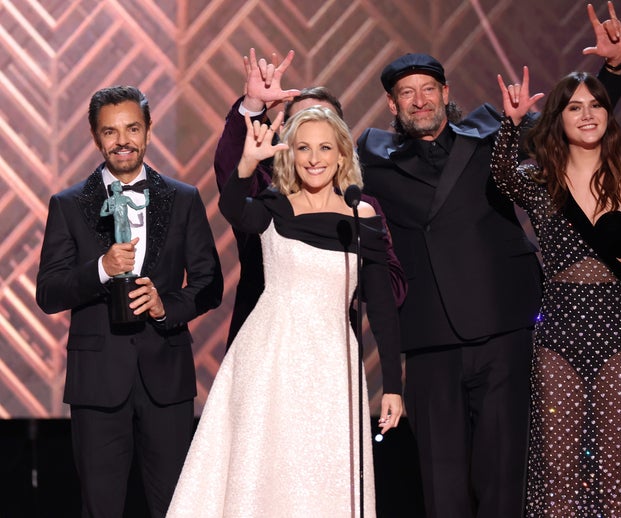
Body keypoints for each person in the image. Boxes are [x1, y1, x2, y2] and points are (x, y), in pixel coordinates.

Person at [355, 3, 621, 516]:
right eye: (406, 94)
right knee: (441, 486)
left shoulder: (492, 129)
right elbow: (309, 170)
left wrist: (612, 72)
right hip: (429, 335)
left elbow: (572, 132)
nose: (419, 101)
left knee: (505, 475)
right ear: (392, 105)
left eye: (428, 89)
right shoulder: (371, 156)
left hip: (503, 325)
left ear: (446, 94)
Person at [167, 105, 404, 517]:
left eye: (325, 147)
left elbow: (382, 306)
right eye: (303, 148)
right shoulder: (273, 206)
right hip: (270, 357)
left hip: (333, 364)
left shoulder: (360, 215)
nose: (314, 158)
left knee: (323, 472)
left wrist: (394, 385)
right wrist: (245, 163)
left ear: (342, 155)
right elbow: (232, 208)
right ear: (290, 154)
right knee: (264, 468)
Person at [492, 63, 621, 515]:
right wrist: (509, 124)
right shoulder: (539, 179)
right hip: (559, 330)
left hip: (616, 329)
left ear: (608, 114)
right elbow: (501, 178)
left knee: (617, 465)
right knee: (559, 465)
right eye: (574, 107)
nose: (587, 115)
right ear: (558, 119)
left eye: (596, 105)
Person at [35, 85, 224, 518]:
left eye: (132, 128)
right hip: (97, 382)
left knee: (176, 506)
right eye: (110, 131)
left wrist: (166, 306)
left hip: (166, 375)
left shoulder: (183, 198)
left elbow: (209, 283)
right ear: (94, 136)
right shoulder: (67, 205)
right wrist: (100, 268)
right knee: (100, 508)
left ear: (149, 130)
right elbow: (49, 292)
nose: (122, 140)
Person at [214, 48, 407, 349]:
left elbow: (393, 288)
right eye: (304, 125)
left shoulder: (360, 206)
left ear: (341, 141)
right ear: (287, 140)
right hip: (262, 345)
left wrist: (335, 271)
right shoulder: (266, 192)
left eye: (325, 126)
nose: (315, 140)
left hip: (332, 348)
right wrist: (252, 107)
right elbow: (232, 173)